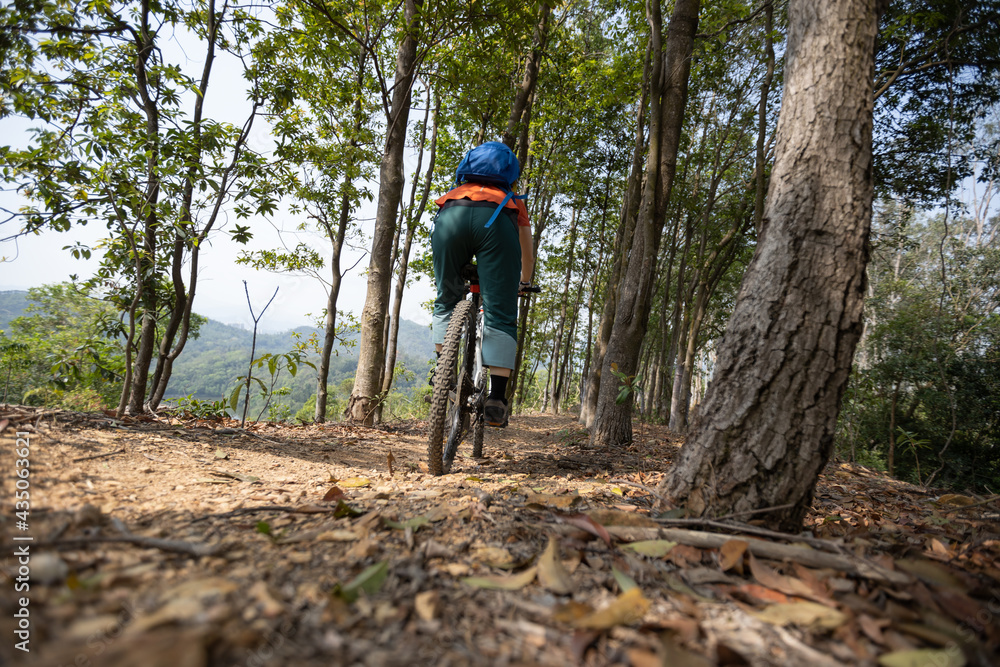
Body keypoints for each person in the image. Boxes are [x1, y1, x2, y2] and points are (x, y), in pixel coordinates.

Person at [431, 142, 534, 428]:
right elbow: (526, 249)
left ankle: (442, 370)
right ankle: (496, 400)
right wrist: (524, 281)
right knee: (500, 313)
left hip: (452, 217)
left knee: (446, 300)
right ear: (509, 175)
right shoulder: (512, 200)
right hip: (497, 220)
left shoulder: (454, 193)